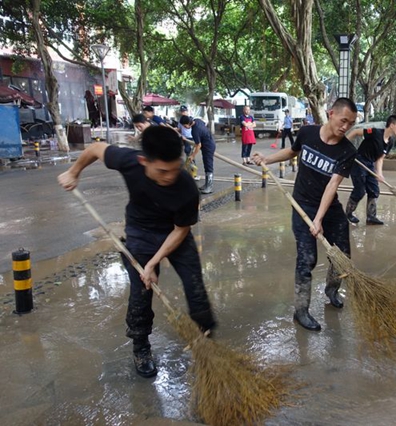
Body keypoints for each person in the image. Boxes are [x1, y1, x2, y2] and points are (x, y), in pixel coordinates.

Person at [57, 126, 217, 378]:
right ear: (144, 161)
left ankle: (207, 340)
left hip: (175, 233)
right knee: (141, 293)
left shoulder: (185, 187)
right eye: (162, 171)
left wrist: (154, 262)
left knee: (195, 288)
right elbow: (96, 149)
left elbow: (180, 230)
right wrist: (73, 172)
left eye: (176, 168)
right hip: (140, 232)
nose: (170, 176)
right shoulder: (130, 162)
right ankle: (141, 347)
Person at [252, 98, 358, 332]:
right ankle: (301, 310)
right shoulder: (307, 133)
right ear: (331, 114)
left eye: (350, 124)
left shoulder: (347, 151)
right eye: (343, 121)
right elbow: (292, 151)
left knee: (342, 257)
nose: (345, 127)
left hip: (328, 208)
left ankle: (332, 289)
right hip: (302, 206)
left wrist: (319, 218)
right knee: (307, 259)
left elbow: (333, 186)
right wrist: (266, 159)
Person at [345, 114, 396, 225]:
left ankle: (371, 217)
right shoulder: (375, 132)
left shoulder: (390, 142)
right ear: (391, 125)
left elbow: (380, 158)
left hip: (370, 164)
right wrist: (343, 144)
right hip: (359, 162)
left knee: (374, 190)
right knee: (360, 190)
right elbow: (356, 132)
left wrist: (379, 174)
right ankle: (348, 213)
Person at [179, 116, 216, 194]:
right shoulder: (197, 120)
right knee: (206, 165)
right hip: (209, 142)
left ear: (188, 124)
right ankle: (206, 185)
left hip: (208, 147)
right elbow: (204, 124)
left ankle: (209, 187)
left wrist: (192, 155)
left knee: (208, 165)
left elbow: (198, 145)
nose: (185, 127)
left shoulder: (195, 131)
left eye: (185, 126)